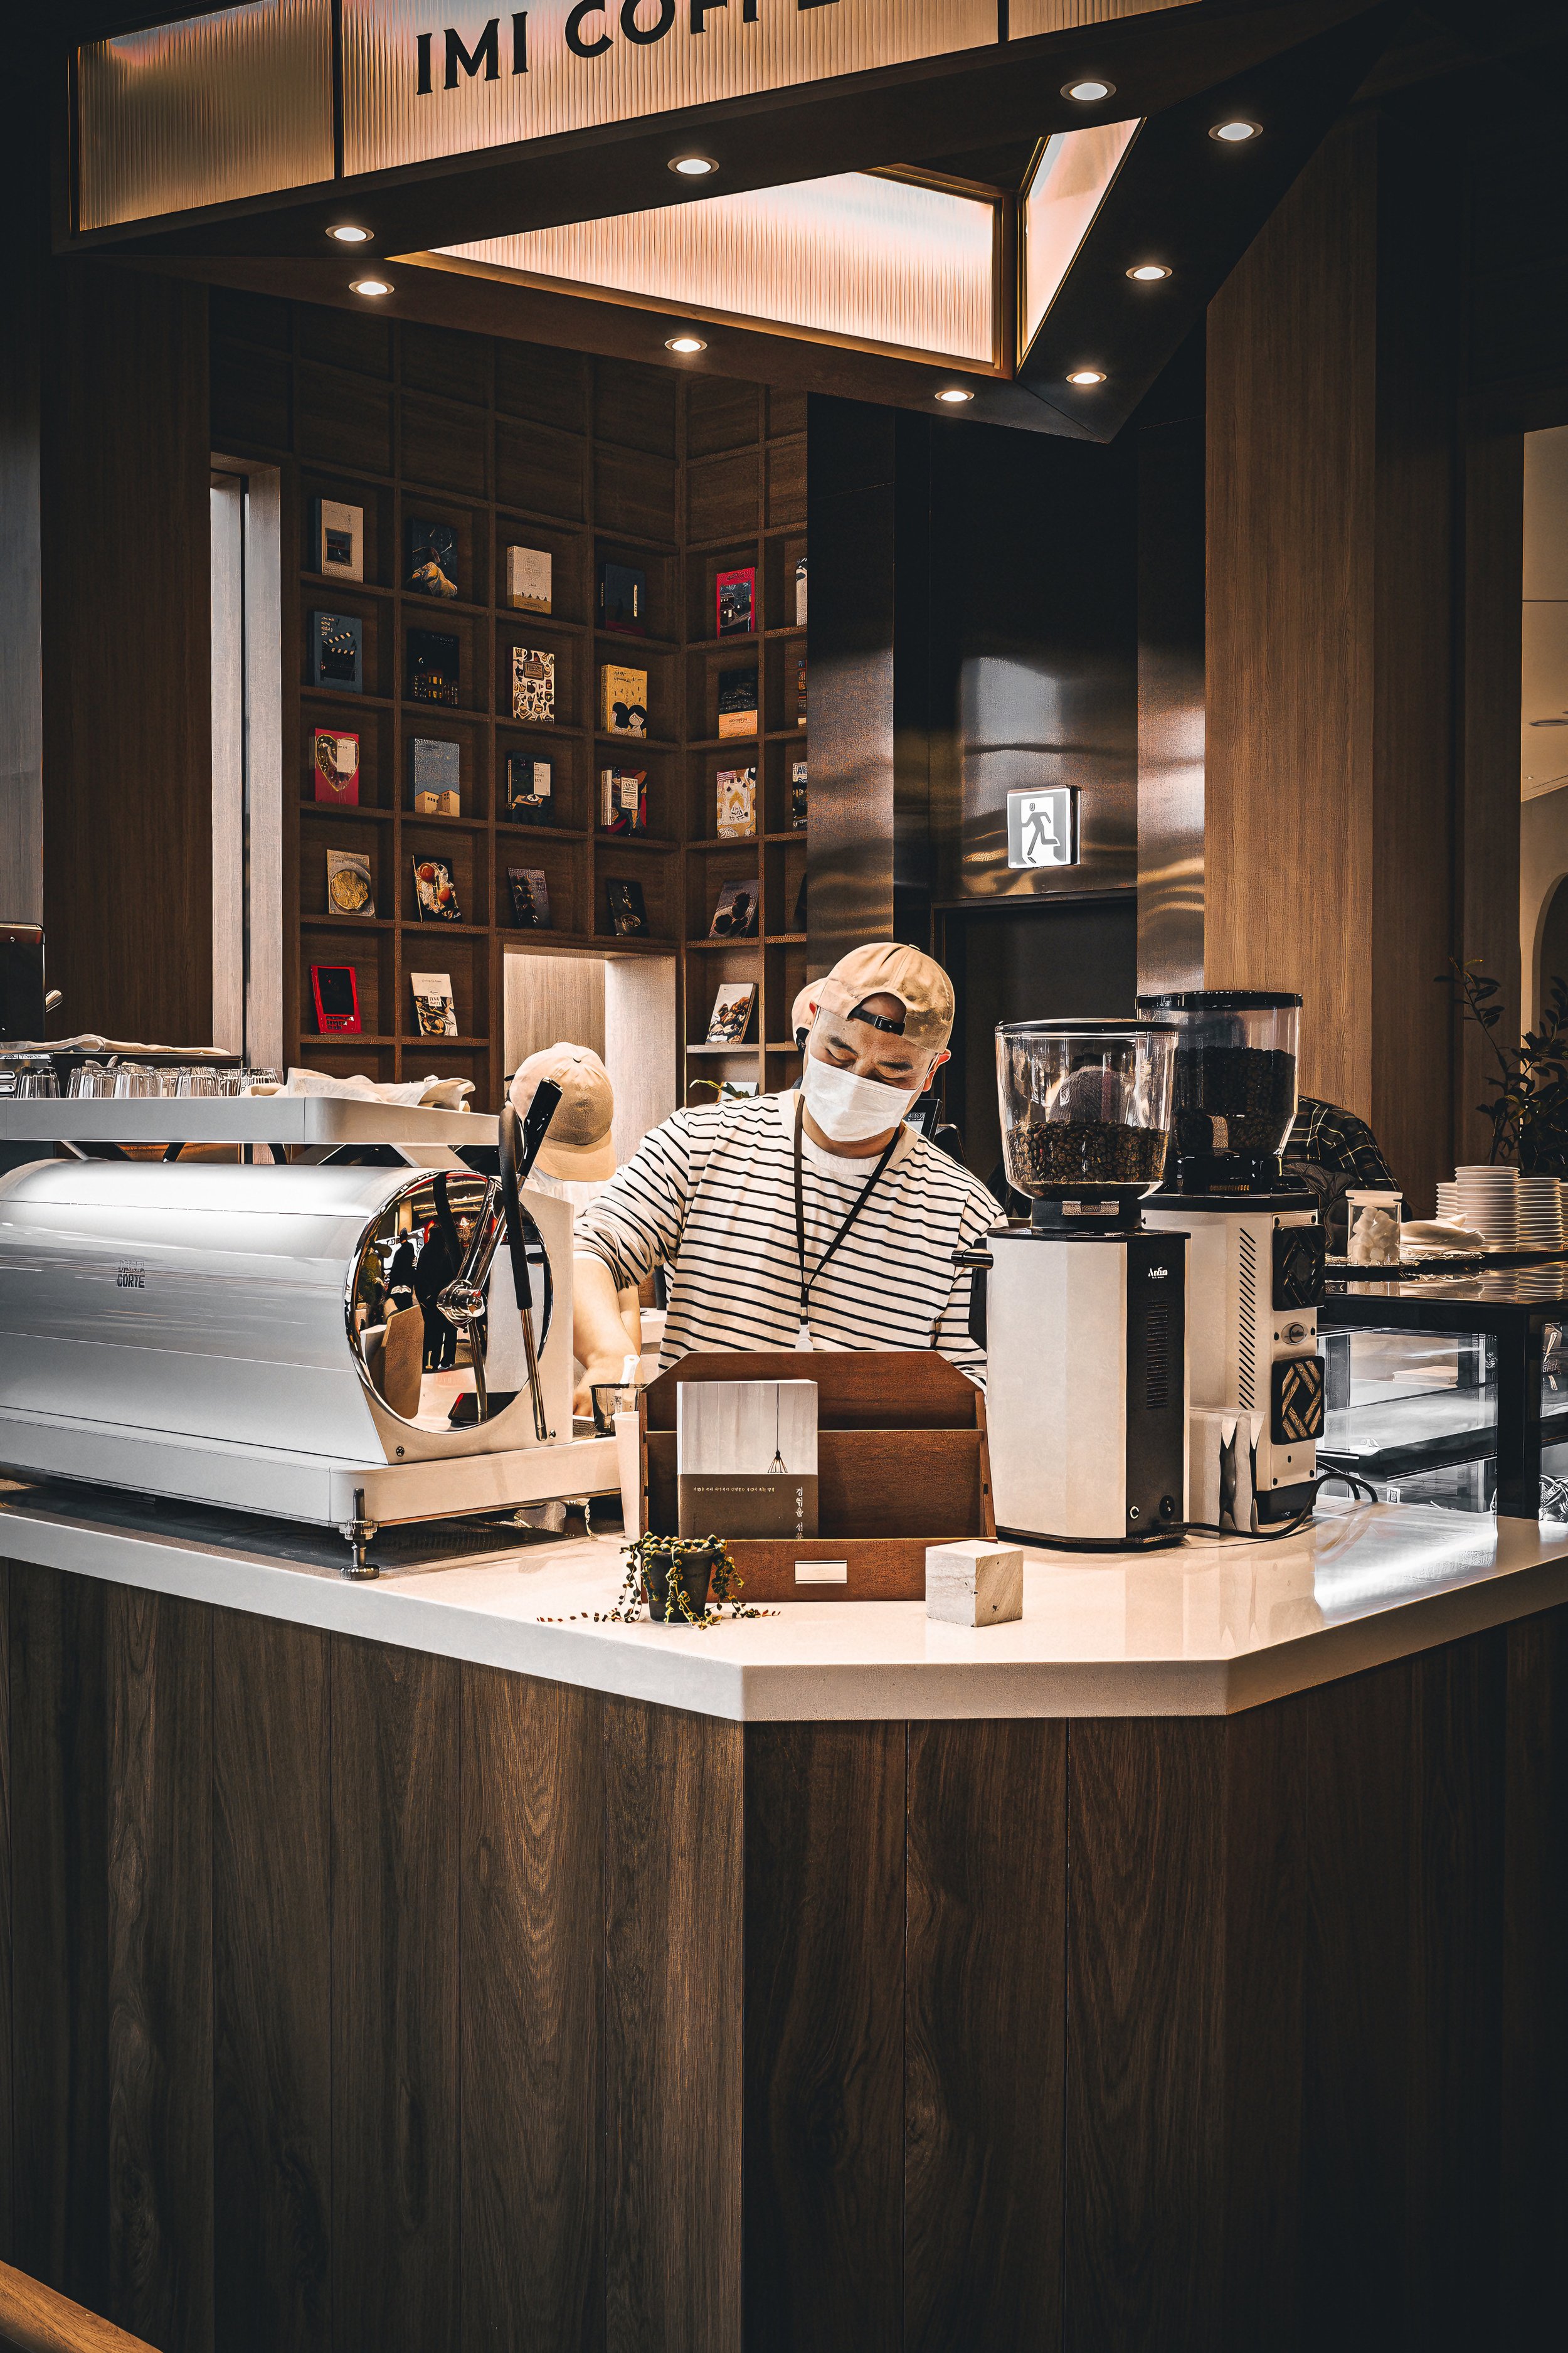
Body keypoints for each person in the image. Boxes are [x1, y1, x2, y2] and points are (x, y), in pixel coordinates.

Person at [571, 942, 999, 1408]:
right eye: (838, 1053)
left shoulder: (963, 1213)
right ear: (813, 1020)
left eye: (892, 1073)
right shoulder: (700, 1144)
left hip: (870, 1472)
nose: (857, 1080)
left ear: (933, 1069)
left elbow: (976, 1391)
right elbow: (587, 1248)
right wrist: (607, 1353)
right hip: (707, 1470)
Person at [508, 1042, 642, 1366]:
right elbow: (627, 1303)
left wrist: (617, 1374)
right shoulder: (618, 1190)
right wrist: (620, 1375)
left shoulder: (519, 1194)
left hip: (545, 1370)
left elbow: (626, 1300)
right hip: (554, 1371)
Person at [414, 1216, 458, 1371]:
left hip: (431, 1298)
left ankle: (431, 1362)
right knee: (450, 1330)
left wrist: (424, 1297)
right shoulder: (447, 1251)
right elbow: (454, 1275)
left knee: (434, 1330)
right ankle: (447, 1360)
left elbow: (420, 1276)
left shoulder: (426, 1251)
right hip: (446, 1297)